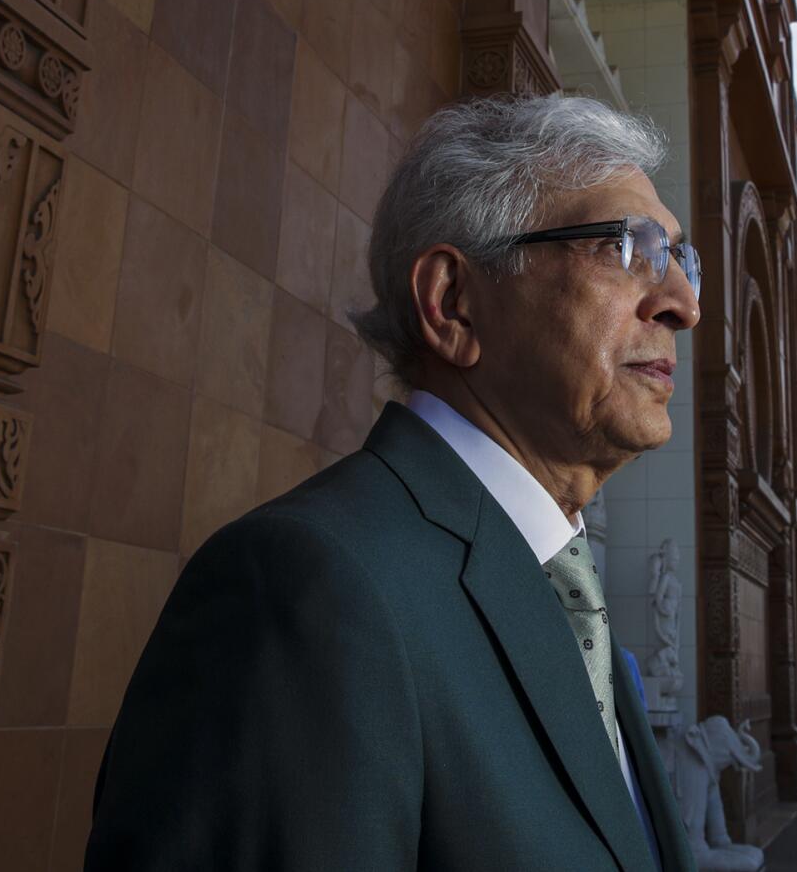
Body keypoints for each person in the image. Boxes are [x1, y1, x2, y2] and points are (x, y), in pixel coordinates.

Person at [86, 96, 702, 871]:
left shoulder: (571, 599)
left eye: (681, 257)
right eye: (628, 247)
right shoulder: (305, 588)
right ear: (453, 304)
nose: (683, 302)